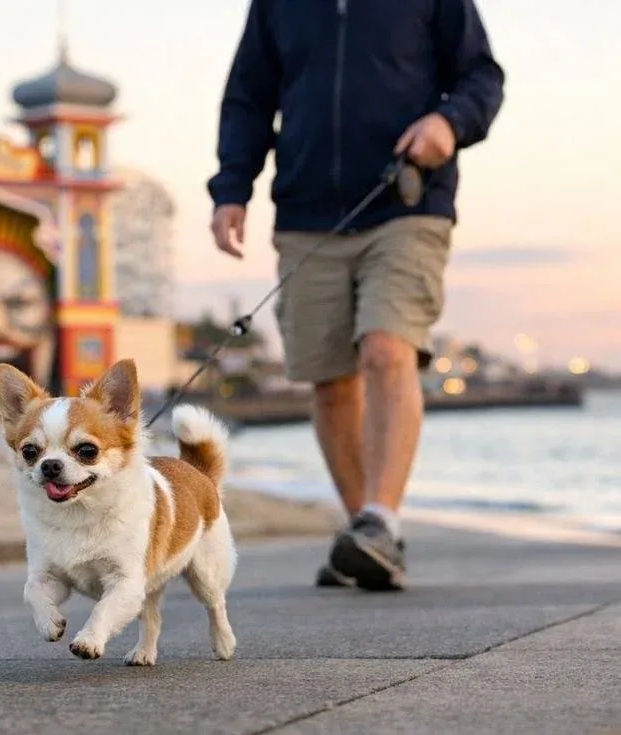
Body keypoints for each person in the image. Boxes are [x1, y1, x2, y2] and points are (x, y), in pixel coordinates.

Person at [207, 0, 504, 591]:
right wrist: (232, 187)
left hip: (407, 204)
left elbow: (481, 75)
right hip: (305, 212)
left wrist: (449, 122)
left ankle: (380, 520)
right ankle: (365, 536)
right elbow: (248, 96)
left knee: (387, 348)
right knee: (330, 378)